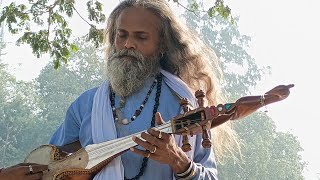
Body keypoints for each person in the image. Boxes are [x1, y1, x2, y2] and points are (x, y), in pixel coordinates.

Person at [50, 0, 239, 179]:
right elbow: (50, 165)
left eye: (141, 37)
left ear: (162, 44)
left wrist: (178, 160)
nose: (128, 44)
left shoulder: (182, 102)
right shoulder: (86, 104)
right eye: (122, 35)